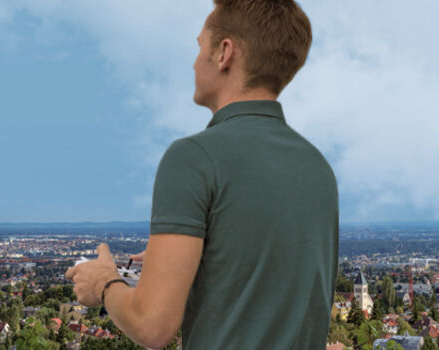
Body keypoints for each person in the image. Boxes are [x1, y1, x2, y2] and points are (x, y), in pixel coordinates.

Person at [64, 0, 335, 348]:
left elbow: (152, 327)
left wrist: (103, 283)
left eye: (199, 47)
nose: (193, 63)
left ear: (224, 53)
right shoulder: (317, 166)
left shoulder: (193, 158)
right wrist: (197, 259)